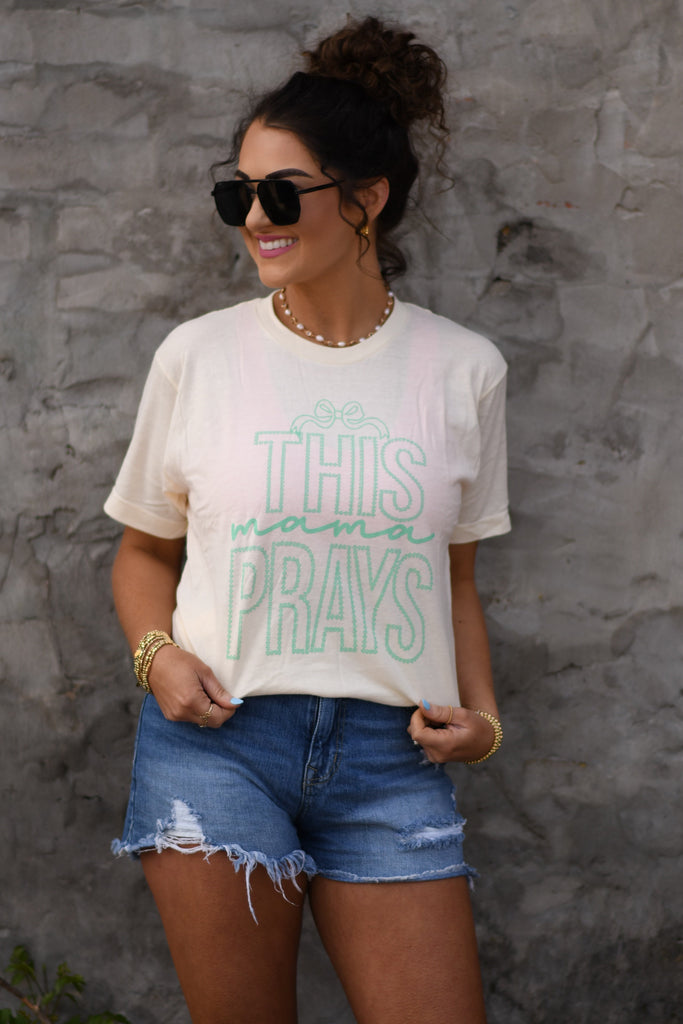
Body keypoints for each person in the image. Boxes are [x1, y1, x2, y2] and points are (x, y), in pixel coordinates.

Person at [105, 16, 510, 1024]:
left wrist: (484, 721)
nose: (254, 218)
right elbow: (144, 551)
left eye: (281, 193)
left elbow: (454, 577)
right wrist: (156, 655)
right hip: (219, 745)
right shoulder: (197, 356)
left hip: (390, 760)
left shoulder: (465, 370)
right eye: (236, 194)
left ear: (367, 198)